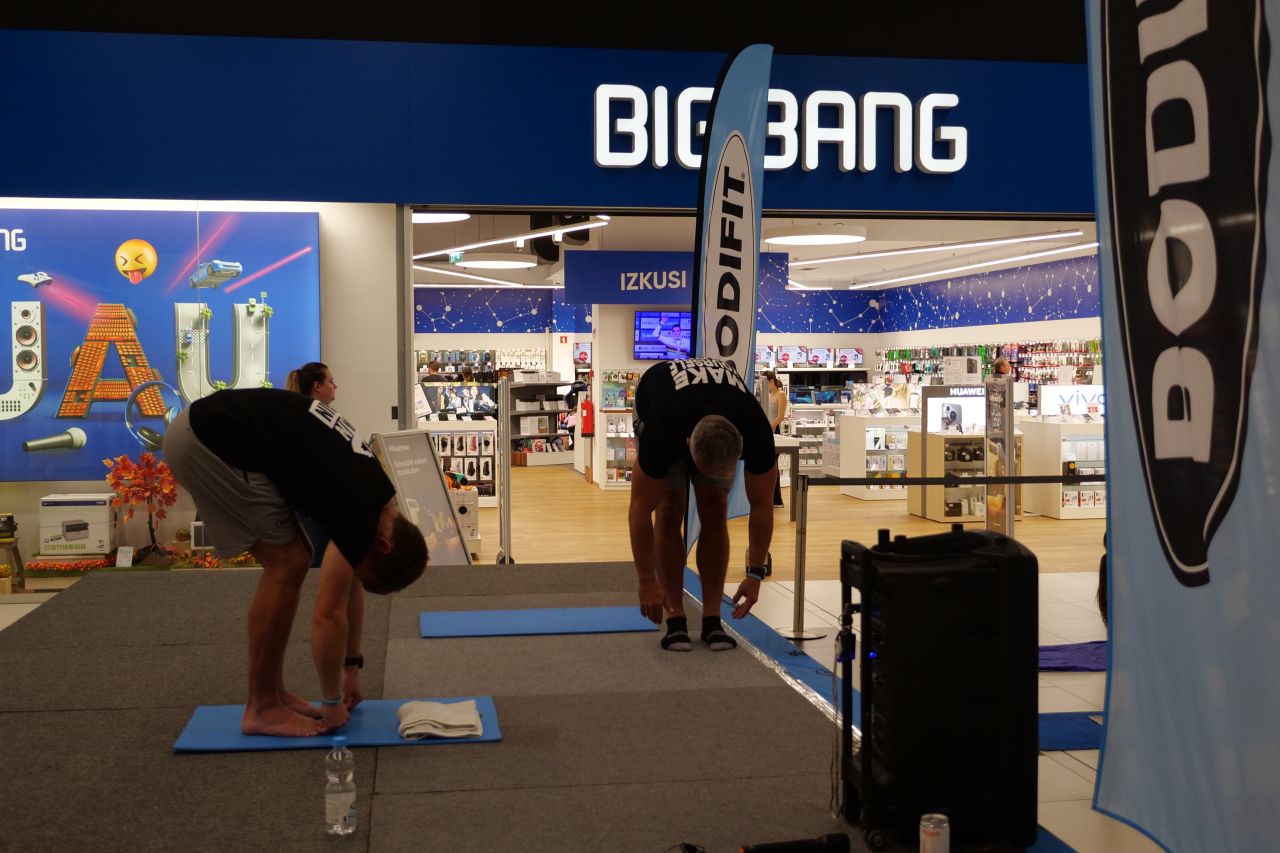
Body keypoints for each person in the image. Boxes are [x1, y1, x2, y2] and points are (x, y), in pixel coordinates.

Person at [163, 388, 428, 737]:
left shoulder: (377, 498)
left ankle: (272, 694)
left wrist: (351, 668)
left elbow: (347, 588)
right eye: (363, 571)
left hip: (209, 432)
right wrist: (331, 702)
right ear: (383, 546)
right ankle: (262, 707)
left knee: (295, 559)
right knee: (286, 564)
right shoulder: (361, 514)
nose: (354, 572)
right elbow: (327, 614)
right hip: (207, 440)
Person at [628, 357, 777, 652]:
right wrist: (646, 580)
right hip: (660, 400)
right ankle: (675, 618)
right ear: (686, 444)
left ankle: (712, 618)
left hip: (717, 411)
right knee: (669, 508)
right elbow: (639, 509)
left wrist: (755, 573)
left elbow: (762, 504)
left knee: (715, 508)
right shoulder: (663, 432)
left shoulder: (756, 429)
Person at [287, 362, 340, 567]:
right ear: (317, 386)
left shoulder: (314, 416)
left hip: (317, 506)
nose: (335, 386)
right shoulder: (309, 419)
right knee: (317, 563)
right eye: (331, 382)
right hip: (313, 508)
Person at [762, 370, 788, 508]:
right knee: (770, 465)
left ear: (771, 381)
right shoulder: (768, 395)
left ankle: (777, 500)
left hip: (775, 431)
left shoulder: (781, 394)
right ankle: (773, 499)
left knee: (773, 465)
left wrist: (769, 428)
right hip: (767, 432)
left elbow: (780, 416)